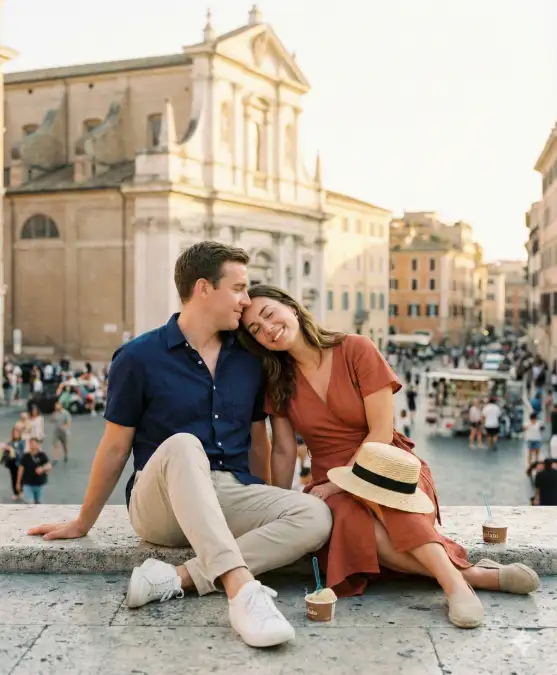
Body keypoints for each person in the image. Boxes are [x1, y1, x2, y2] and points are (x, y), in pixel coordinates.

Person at [27, 241, 331, 649]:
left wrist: (268, 502)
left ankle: (176, 578)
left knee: (315, 515)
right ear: (204, 288)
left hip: (229, 494)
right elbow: (116, 446)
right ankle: (242, 592)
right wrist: (84, 521)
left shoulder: (248, 358)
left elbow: (259, 439)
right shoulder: (138, 357)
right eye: (239, 288)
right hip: (161, 502)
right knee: (186, 445)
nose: (246, 300)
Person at [238, 284, 539, 630]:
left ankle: (456, 585)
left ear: (291, 307)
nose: (268, 329)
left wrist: (340, 485)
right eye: (255, 330)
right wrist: (279, 502)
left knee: (389, 505)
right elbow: (284, 449)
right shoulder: (277, 380)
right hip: (327, 480)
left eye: (268, 314)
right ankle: (475, 575)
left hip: (385, 462)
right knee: (353, 521)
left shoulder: (356, 348)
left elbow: (381, 430)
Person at [16, 437, 51, 504]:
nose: (31, 445)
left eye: (33, 443)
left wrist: (42, 468)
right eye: (30, 444)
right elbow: (20, 470)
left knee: (40, 504)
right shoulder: (25, 456)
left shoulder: (42, 455)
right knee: (29, 503)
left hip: (40, 484)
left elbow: (49, 466)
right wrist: (18, 483)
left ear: (38, 445)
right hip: (27, 484)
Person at [1, 426, 26, 500]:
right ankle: (15, 493)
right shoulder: (10, 442)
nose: (15, 434)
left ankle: (20, 491)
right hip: (12, 464)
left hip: (19, 463)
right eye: (14, 433)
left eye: (17, 433)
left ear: (19, 434)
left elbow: (21, 454)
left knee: (20, 478)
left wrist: (12, 449)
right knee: (13, 478)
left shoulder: (21, 442)